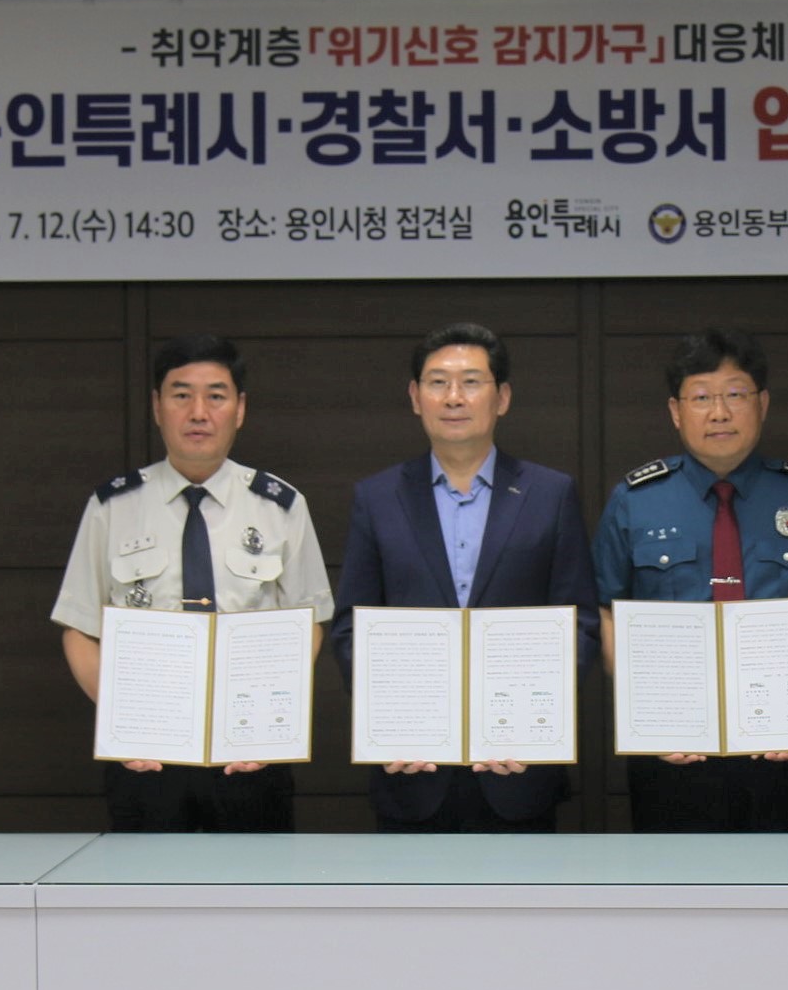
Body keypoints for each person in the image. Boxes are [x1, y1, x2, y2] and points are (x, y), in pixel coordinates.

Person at [52, 335, 333, 831]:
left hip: (249, 754)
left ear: (240, 409)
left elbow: (308, 622)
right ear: (156, 407)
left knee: (254, 879)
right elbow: (78, 626)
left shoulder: (281, 506)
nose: (198, 412)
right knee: (145, 881)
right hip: (146, 757)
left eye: (216, 396)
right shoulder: (112, 507)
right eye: (181, 395)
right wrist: (124, 718)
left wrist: (267, 716)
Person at [330, 323, 600, 832]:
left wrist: (538, 724)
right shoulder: (378, 497)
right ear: (416, 397)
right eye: (438, 382)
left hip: (518, 768)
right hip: (411, 767)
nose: (454, 397)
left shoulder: (550, 494)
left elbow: (581, 624)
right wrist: (387, 722)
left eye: (471, 382)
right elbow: (350, 628)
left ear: (503, 398)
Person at [591, 328, 788, 831]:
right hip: (670, 748)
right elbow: (604, 609)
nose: (719, 412)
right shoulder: (635, 500)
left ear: (762, 404)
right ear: (676, 411)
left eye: (735, 395)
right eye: (701, 398)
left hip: (781, 746)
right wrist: (647, 708)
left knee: (784, 877)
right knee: (673, 877)